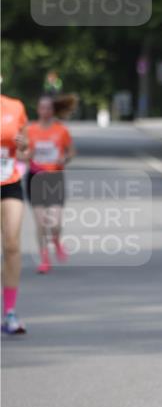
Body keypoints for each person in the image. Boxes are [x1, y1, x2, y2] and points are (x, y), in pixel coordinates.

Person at [25, 94, 76, 274]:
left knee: (55, 222)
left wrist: (65, 158)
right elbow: (22, 155)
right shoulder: (30, 131)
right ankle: (44, 258)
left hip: (55, 178)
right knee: (40, 223)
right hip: (35, 178)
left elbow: (71, 152)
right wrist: (27, 156)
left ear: (53, 110)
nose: (45, 111)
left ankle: (55, 238)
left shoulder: (61, 131)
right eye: (42, 108)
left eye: (49, 108)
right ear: (38, 110)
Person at [1, 92, 29, 333]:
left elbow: (25, 151)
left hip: (9, 181)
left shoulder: (15, 106)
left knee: (11, 245)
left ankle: (9, 313)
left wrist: (23, 147)